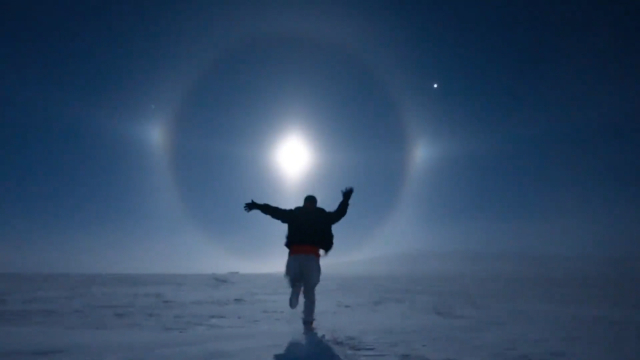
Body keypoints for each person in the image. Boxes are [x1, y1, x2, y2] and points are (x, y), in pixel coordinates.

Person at [244, 187, 354, 331]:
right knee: (310, 292)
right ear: (314, 203)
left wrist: (258, 206)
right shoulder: (322, 216)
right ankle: (308, 323)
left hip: (295, 256)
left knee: (295, 280)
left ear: (304, 203)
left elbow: (275, 212)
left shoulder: (295, 214)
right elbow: (338, 215)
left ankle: (296, 286)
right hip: (312, 257)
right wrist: (345, 200)